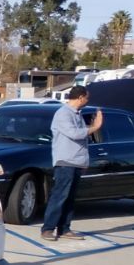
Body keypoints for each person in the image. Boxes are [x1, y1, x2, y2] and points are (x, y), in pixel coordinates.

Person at [42, 85, 102, 242]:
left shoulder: (78, 114)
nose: (88, 101)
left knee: (70, 197)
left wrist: (84, 161)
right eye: (87, 98)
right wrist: (95, 127)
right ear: (81, 97)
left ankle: (64, 228)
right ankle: (48, 228)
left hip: (76, 161)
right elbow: (74, 134)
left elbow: (83, 141)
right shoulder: (63, 114)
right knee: (60, 195)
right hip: (65, 161)